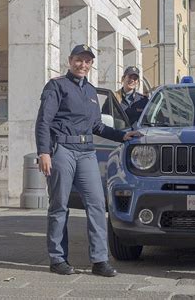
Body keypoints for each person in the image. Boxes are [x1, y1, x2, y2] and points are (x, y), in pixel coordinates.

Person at [35, 44, 141, 277]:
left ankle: (100, 260)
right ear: (70, 60)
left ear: (91, 65)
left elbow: (97, 126)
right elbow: (43, 121)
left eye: (87, 61)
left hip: (86, 152)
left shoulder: (92, 91)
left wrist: (122, 135)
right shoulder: (57, 86)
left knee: (96, 204)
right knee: (59, 204)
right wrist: (44, 152)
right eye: (79, 60)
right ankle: (57, 258)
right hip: (62, 149)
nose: (83, 65)